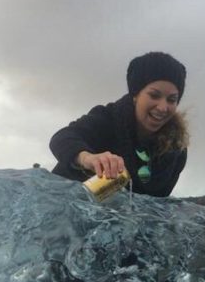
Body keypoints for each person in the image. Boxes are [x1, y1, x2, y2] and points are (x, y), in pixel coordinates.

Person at [49, 51, 188, 197]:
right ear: (135, 94)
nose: (162, 107)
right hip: (59, 203)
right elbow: (62, 138)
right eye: (154, 96)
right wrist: (87, 158)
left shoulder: (177, 151)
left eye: (171, 100)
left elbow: (160, 202)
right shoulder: (107, 118)